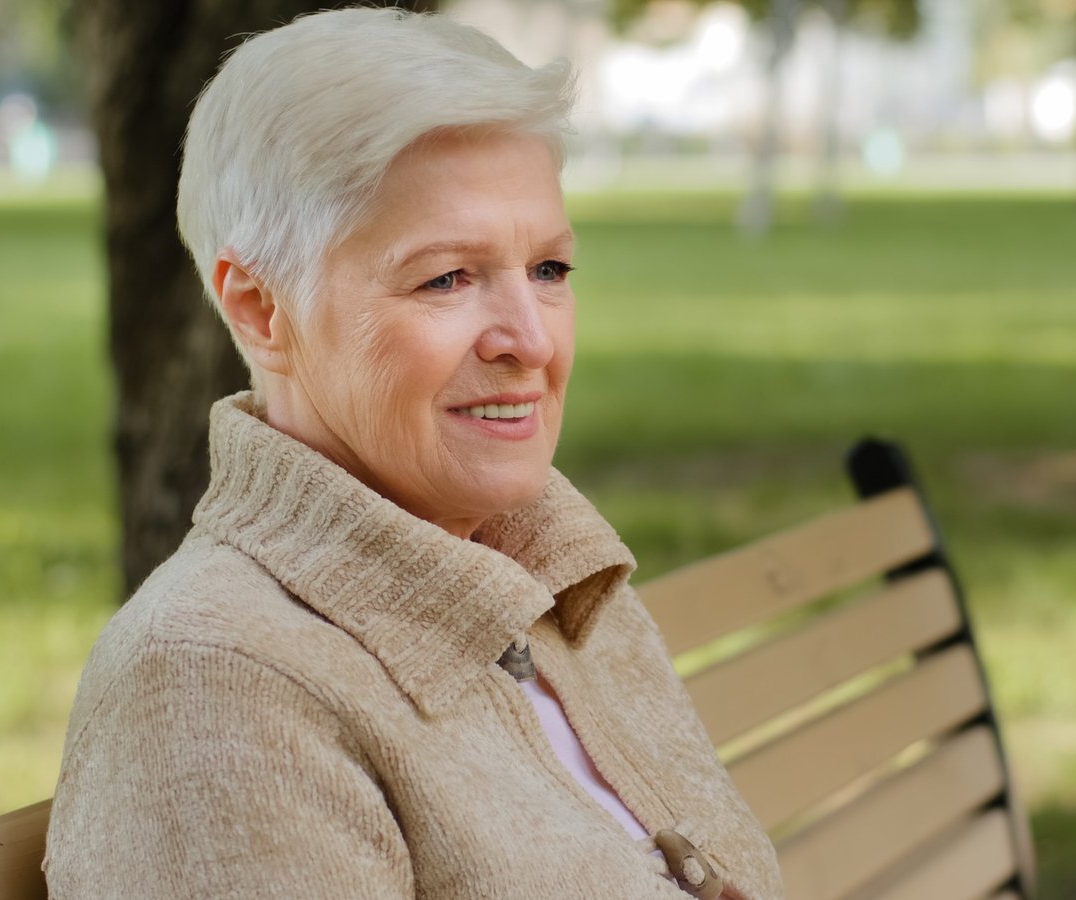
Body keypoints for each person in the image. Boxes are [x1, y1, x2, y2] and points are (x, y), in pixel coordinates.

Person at [43, 8, 783, 899]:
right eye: (447, 278)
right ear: (258, 309)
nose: (531, 341)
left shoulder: (555, 574)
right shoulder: (213, 687)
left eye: (549, 271)